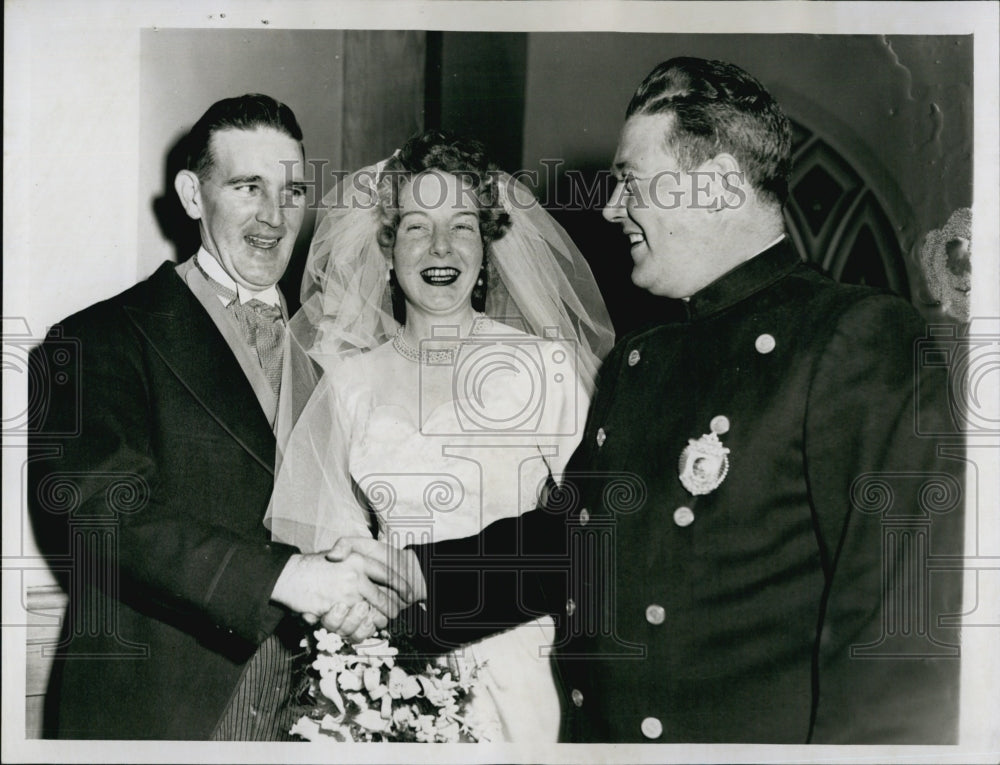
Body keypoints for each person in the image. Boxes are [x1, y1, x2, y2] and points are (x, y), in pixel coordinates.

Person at [336, 57, 965, 743]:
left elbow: (899, 643)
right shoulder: (644, 357)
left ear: (721, 185)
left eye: (631, 183)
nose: (609, 209)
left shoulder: (854, 338)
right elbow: (570, 547)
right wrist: (418, 574)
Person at [26, 94, 409, 740]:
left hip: (307, 717)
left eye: (291, 191)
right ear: (192, 195)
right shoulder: (98, 338)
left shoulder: (333, 359)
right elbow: (99, 510)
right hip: (159, 717)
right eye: (247, 187)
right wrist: (290, 577)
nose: (273, 216)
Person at [265, 130, 614, 741]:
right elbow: (334, 554)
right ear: (388, 246)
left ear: (487, 244)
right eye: (416, 226)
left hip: (536, 671)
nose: (440, 246)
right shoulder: (348, 385)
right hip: (398, 676)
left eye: (463, 225)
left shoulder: (549, 369)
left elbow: (588, 539)